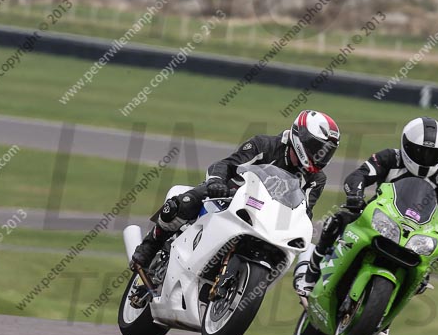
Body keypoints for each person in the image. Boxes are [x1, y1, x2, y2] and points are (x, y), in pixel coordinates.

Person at [294, 116, 438, 335]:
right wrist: (355, 196)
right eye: (420, 151)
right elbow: (358, 176)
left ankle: (383, 314)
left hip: (417, 232)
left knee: (424, 274)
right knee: (339, 218)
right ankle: (312, 271)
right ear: (407, 146)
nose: (426, 158)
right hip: (381, 218)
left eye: (432, 154)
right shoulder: (390, 158)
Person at [130, 110, 341, 271]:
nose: (320, 155)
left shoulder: (316, 179)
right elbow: (226, 165)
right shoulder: (264, 145)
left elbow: (305, 211)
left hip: (269, 220)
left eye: (326, 152)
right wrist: (216, 182)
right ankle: (150, 245)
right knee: (183, 202)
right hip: (232, 197)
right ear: (299, 136)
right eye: (316, 147)